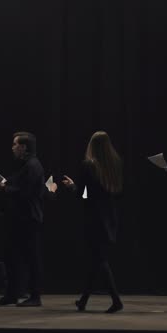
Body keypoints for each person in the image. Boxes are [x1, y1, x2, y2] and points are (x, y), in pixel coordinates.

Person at [57, 131, 125, 313]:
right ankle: (83, 300)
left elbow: (84, 195)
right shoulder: (115, 164)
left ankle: (116, 300)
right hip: (110, 217)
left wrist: (73, 187)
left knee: (99, 260)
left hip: (95, 218)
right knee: (96, 261)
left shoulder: (89, 165)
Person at [0, 131, 45, 307]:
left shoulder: (32, 166)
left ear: (23, 147)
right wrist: (5, 183)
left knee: (31, 258)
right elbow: (16, 183)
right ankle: (12, 294)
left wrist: (4, 188)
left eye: (15, 144)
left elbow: (25, 193)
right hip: (20, 219)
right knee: (12, 257)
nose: (13, 147)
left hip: (28, 219)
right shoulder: (26, 165)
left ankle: (35, 296)